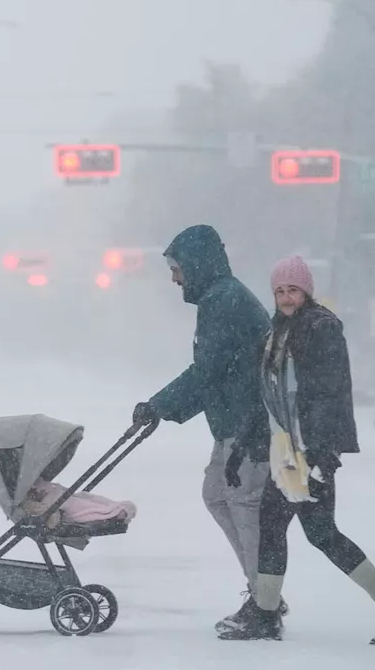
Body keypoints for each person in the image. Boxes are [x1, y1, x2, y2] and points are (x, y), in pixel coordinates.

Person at [217, 256, 375, 644]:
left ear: (306, 291)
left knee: (300, 530)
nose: (286, 297)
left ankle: (267, 615)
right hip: (289, 452)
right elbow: (268, 399)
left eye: (292, 290)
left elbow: (330, 394)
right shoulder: (278, 334)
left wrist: (324, 456)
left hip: (310, 452)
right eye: (279, 291)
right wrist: (241, 450)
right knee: (308, 531)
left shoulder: (320, 329)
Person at [131, 225, 285, 632]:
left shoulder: (225, 301)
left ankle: (265, 605)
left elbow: (208, 372)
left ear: (196, 265)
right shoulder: (220, 299)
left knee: (243, 503)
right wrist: (161, 409)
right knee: (217, 494)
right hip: (234, 421)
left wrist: (159, 405)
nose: (174, 277)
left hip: (249, 424)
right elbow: (212, 375)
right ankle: (263, 594)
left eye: (177, 268)